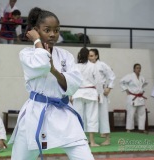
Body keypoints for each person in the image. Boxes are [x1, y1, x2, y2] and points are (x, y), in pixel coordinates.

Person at [9, 7, 95, 160]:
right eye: (47, 30)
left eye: (56, 30)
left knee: (84, 156)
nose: (53, 34)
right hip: (36, 113)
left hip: (63, 113)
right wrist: (36, 41)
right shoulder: (26, 54)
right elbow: (42, 64)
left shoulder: (65, 56)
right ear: (36, 30)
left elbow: (74, 84)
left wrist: (54, 70)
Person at [72, 47, 102, 147]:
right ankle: (92, 142)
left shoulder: (75, 66)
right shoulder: (93, 66)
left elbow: (72, 81)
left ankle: (79, 141)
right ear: (88, 55)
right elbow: (98, 81)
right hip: (90, 93)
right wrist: (99, 94)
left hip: (78, 92)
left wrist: (70, 95)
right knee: (92, 117)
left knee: (78, 117)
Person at [88, 48, 115, 146]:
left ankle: (107, 138)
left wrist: (109, 88)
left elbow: (112, 76)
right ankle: (91, 139)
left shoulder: (102, 65)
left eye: (91, 56)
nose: (89, 58)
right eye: (88, 56)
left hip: (102, 93)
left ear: (96, 56)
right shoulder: (87, 66)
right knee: (90, 116)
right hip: (90, 92)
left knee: (103, 115)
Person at [120, 63, 148, 133]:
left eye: (139, 68)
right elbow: (121, 82)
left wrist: (142, 91)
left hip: (140, 97)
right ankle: (129, 128)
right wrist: (126, 90)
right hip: (132, 97)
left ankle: (141, 128)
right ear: (134, 69)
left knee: (142, 113)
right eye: (137, 68)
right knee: (131, 113)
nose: (138, 69)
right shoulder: (130, 76)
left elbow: (144, 84)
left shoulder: (142, 77)